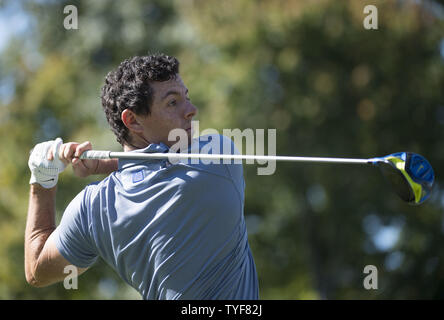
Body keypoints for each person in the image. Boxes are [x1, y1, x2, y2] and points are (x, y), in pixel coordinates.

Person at [25, 53, 259, 299]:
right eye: (173, 103)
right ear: (133, 120)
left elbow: (36, 269)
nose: (191, 110)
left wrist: (42, 179)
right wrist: (103, 165)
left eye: (186, 98)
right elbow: (160, 166)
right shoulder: (218, 158)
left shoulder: (94, 208)